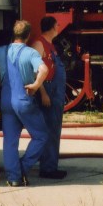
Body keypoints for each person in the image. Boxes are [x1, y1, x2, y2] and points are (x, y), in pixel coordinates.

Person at [0, 20, 52, 186]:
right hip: (23, 100)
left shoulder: (2, 51)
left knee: (10, 140)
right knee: (41, 136)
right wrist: (35, 85)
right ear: (28, 36)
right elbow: (44, 69)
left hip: (6, 101)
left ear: (14, 34)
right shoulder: (30, 53)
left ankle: (13, 178)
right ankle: (22, 168)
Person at [32, 16, 68, 180]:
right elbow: (35, 71)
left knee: (54, 129)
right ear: (52, 27)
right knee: (49, 129)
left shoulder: (51, 45)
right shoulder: (39, 44)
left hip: (55, 91)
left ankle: (51, 166)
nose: (58, 28)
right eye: (57, 25)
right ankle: (47, 168)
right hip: (47, 90)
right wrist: (43, 93)